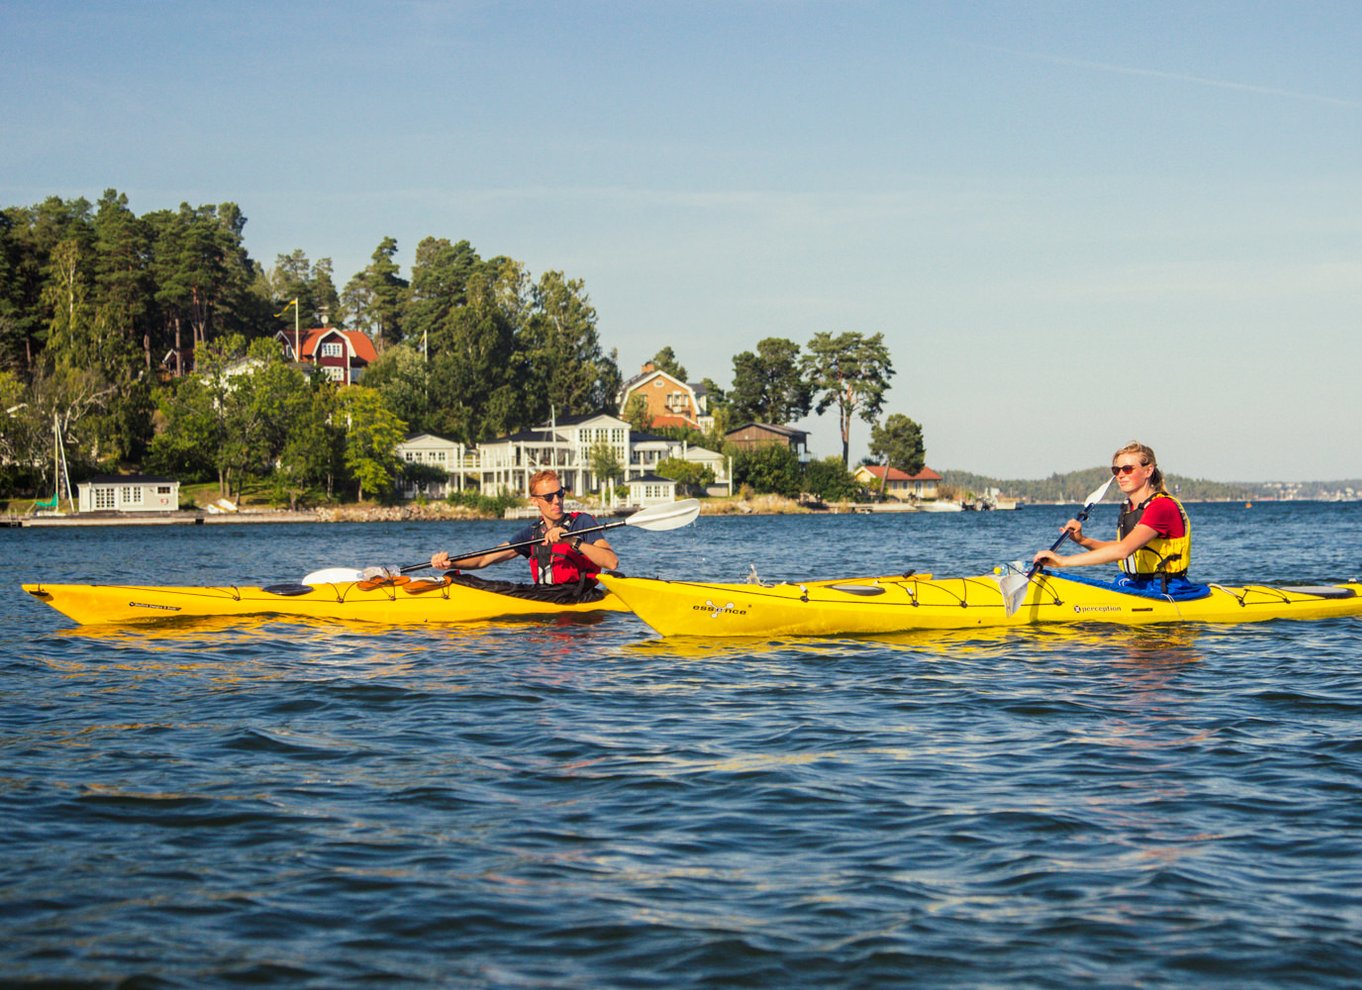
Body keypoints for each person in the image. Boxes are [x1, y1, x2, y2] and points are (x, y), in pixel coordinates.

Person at [1032, 441, 1196, 594]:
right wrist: (1082, 540)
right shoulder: (1129, 507)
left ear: (1148, 470)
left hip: (1165, 588)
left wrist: (1063, 561)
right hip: (1133, 583)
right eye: (1116, 470)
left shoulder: (1162, 507)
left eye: (1127, 469)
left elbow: (1123, 551)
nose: (1121, 475)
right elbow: (1120, 547)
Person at [430, 469, 618, 591]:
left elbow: (611, 562)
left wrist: (572, 541)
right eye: (549, 496)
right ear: (534, 501)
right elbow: (486, 558)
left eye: (560, 493)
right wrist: (452, 563)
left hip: (580, 599)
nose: (557, 500)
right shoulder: (532, 533)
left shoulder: (581, 522)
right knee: (494, 586)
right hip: (546, 598)